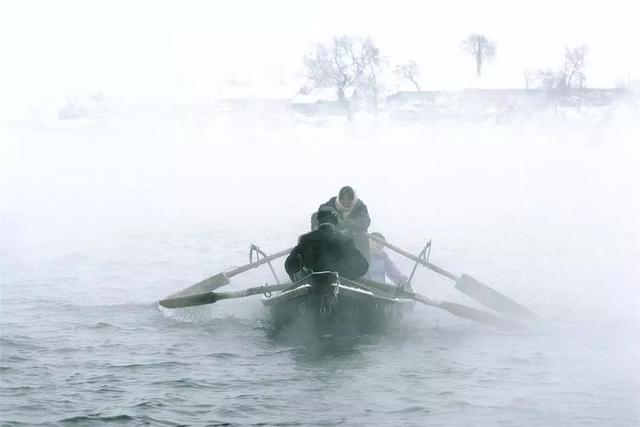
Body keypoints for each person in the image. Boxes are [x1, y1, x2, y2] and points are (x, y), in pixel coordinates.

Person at [286, 207, 369, 285]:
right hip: (339, 290)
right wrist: (345, 278)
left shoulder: (306, 239)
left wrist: (300, 280)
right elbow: (363, 266)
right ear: (336, 223)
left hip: (312, 290)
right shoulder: (346, 241)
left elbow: (289, 265)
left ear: (319, 222)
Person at [311, 186, 371, 259]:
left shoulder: (359, 206)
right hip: (333, 236)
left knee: (363, 237)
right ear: (339, 198)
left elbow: (365, 221)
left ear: (354, 199)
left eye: (349, 199)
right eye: (343, 199)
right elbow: (323, 208)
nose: (346, 201)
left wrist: (351, 223)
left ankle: (364, 266)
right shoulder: (333, 202)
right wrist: (333, 216)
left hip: (354, 238)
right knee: (316, 217)